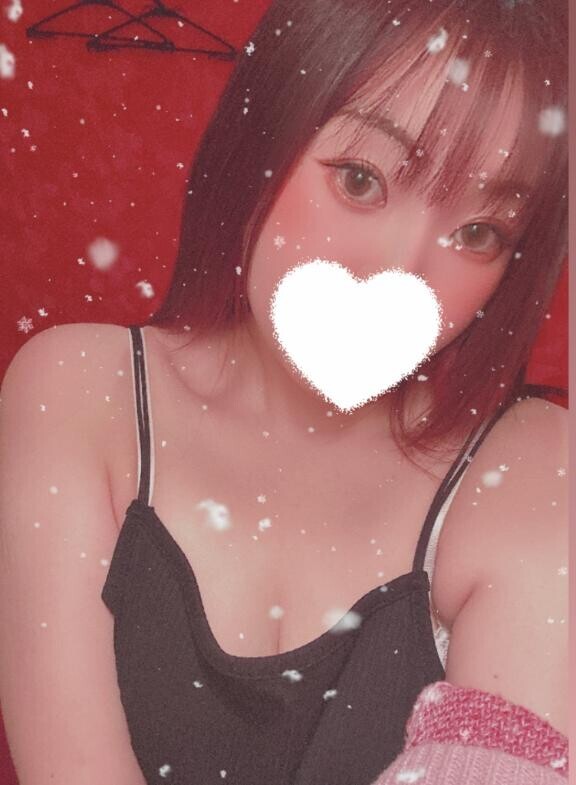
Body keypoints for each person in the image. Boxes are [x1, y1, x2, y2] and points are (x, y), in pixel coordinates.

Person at [0, 0, 568, 783]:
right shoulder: (78, 394)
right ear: (261, 140)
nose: (401, 272)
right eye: (361, 180)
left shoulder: (532, 465)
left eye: (479, 232)